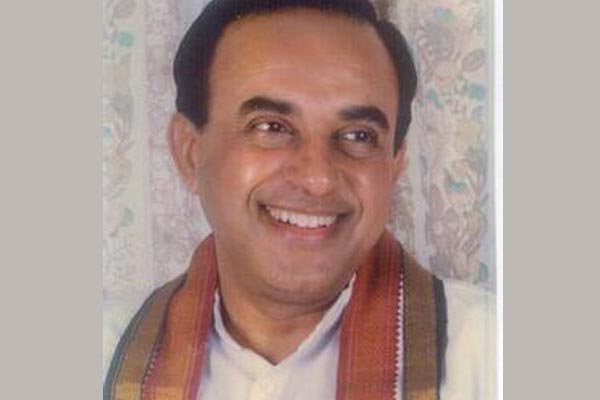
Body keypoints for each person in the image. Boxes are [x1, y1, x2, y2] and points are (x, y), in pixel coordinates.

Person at [104, 0, 496, 399]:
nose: (318, 179)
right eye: (271, 127)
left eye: (359, 135)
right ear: (190, 153)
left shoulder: (489, 358)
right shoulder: (105, 355)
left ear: (395, 164)